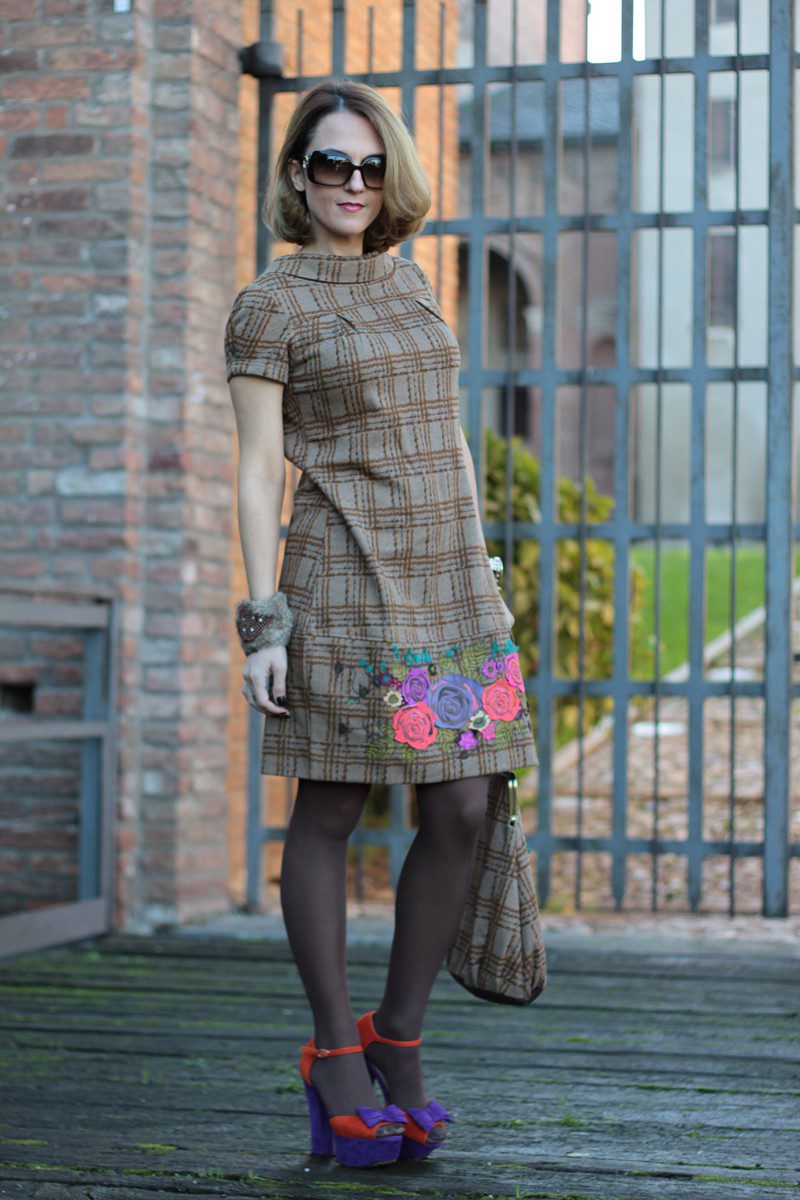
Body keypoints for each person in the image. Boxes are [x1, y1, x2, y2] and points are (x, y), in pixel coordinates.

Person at [224, 77, 538, 1168]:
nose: (352, 184)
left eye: (369, 165)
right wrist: (263, 622)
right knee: (330, 805)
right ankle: (334, 1054)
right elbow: (257, 469)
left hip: (446, 579)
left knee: (461, 805)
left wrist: (480, 573)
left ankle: (396, 1036)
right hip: (340, 575)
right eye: (330, 164)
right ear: (297, 175)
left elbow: (445, 440)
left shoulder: (410, 282)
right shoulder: (270, 305)